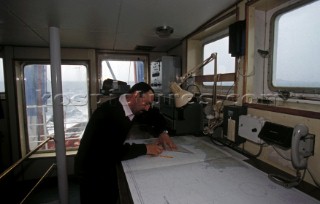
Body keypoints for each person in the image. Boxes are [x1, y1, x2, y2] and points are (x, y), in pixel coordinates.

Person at [74, 82, 177, 204]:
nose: (147, 108)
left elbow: (154, 115)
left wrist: (162, 132)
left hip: (106, 164)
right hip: (91, 169)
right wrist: (145, 149)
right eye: (147, 103)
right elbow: (112, 151)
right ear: (136, 95)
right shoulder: (108, 115)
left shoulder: (135, 106)